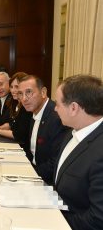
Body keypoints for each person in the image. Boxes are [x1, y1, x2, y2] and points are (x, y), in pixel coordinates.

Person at [53, 75, 103, 230]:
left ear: (73, 108)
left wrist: (53, 221)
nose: (55, 109)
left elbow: (97, 219)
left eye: (57, 104)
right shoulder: (72, 131)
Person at [17, 75, 69, 184]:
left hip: (47, 182)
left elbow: (55, 162)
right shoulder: (35, 112)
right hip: (35, 171)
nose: (24, 99)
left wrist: (29, 175)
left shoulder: (57, 117)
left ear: (43, 92)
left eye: (29, 92)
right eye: (20, 94)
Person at [0, 72, 32, 150]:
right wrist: (1, 127)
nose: (13, 90)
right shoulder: (18, 103)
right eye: (12, 87)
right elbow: (12, 123)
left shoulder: (26, 106)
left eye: (17, 87)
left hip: (24, 149)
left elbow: (19, 135)